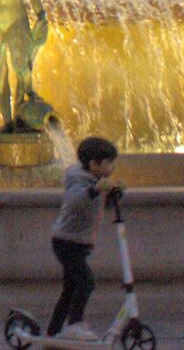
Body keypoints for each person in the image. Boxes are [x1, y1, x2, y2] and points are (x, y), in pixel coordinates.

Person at [49, 134, 119, 339]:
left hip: (80, 242)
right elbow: (75, 201)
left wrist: (115, 194)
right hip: (65, 241)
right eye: (109, 163)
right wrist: (95, 190)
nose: (113, 167)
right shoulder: (77, 179)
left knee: (70, 288)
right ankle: (75, 324)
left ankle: (53, 332)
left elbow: (101, 206)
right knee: (86, 282)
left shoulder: (97, 180)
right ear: (94, 164)